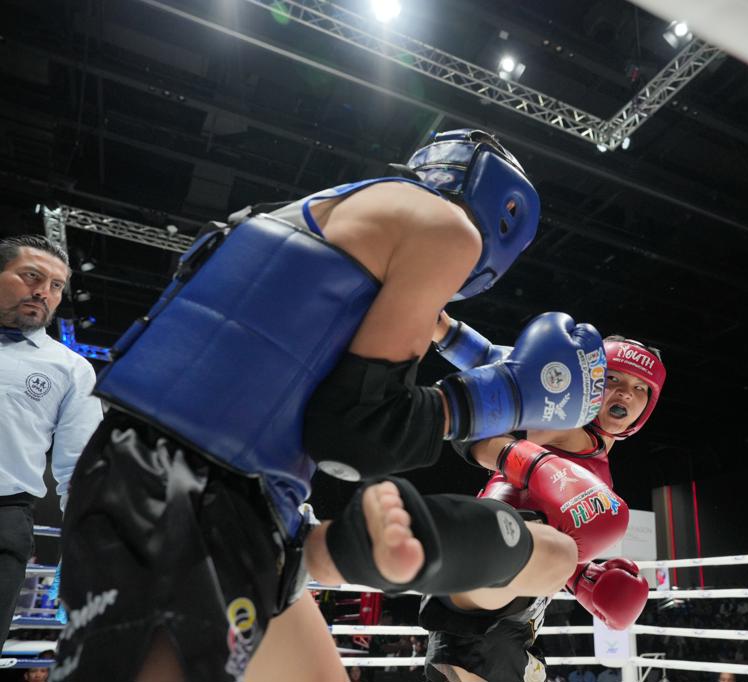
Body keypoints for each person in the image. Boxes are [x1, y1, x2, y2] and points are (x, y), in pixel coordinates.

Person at [54, 130, 609, 682]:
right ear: (507, 214)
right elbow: (354, 435)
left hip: (205, 484)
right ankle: (344, 552)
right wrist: (509, 396)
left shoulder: (328, 212)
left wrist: (504, 385)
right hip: (188, 488)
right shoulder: (449, 229)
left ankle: (335, 551)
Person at [420, 315, 667, 682]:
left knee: (564, 553)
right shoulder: (563, 420)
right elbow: (495, 370)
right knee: (560, 552)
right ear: (592, 384)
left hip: (517, 617)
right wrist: (438, 324)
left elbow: (563, 528)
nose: (626, 393)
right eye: (613, 379)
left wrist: (585, 580)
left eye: (640, 387)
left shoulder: (598, 466)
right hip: (488, 574)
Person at [0, 235, 103, 646]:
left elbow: (80, 465)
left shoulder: (70, 368)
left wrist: (81, 547)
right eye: (31, 276)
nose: (44, 291)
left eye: (56, 285)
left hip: (4, 517)